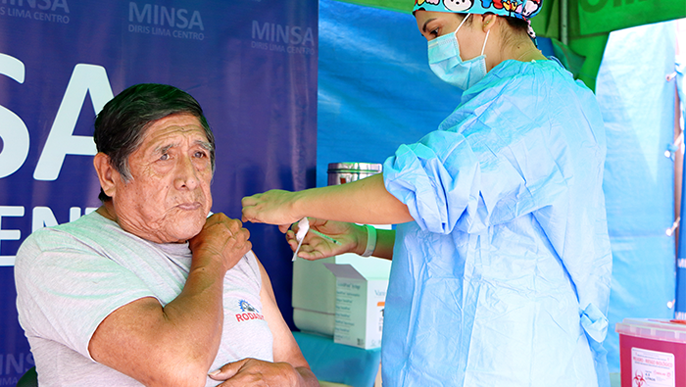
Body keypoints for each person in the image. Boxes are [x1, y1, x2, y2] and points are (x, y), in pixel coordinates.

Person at [241, 0, 613, 386]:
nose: (433, 48)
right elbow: (474, 241)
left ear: (487, 17)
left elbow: (422, 190)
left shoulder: (532, 103)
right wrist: (361, 240)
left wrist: (292, 202)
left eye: (436, 30)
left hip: (502, 362)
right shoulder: (517, 102)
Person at [14, 83, 318, 387]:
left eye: (199, 154)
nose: (190, 178)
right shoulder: (56, 253)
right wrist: (210, 258)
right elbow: (180, 369)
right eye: (164, 156)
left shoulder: (228, 241)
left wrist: (289, 378)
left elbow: (302, 372)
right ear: (109, 174)